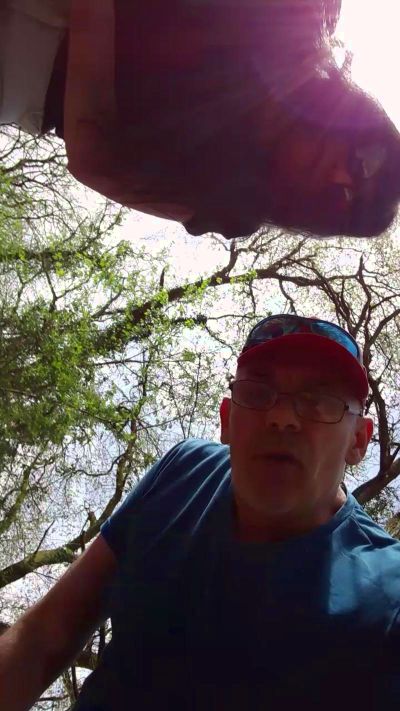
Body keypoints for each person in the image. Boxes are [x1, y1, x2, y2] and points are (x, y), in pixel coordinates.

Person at [1, 313, 400, 710]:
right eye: (258, 393)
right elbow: (42, 638)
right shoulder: (183, 474)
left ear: (358, 441)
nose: (281, 417)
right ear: (227, 419)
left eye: (318, 401)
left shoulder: (389, 598)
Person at [2, 1, 400, 238]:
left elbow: (92, 160)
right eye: (363, 161)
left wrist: (93, 14)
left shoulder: (232, 209)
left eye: (343, 201)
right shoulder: (305, 20)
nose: (341, 177)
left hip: (26, 74)